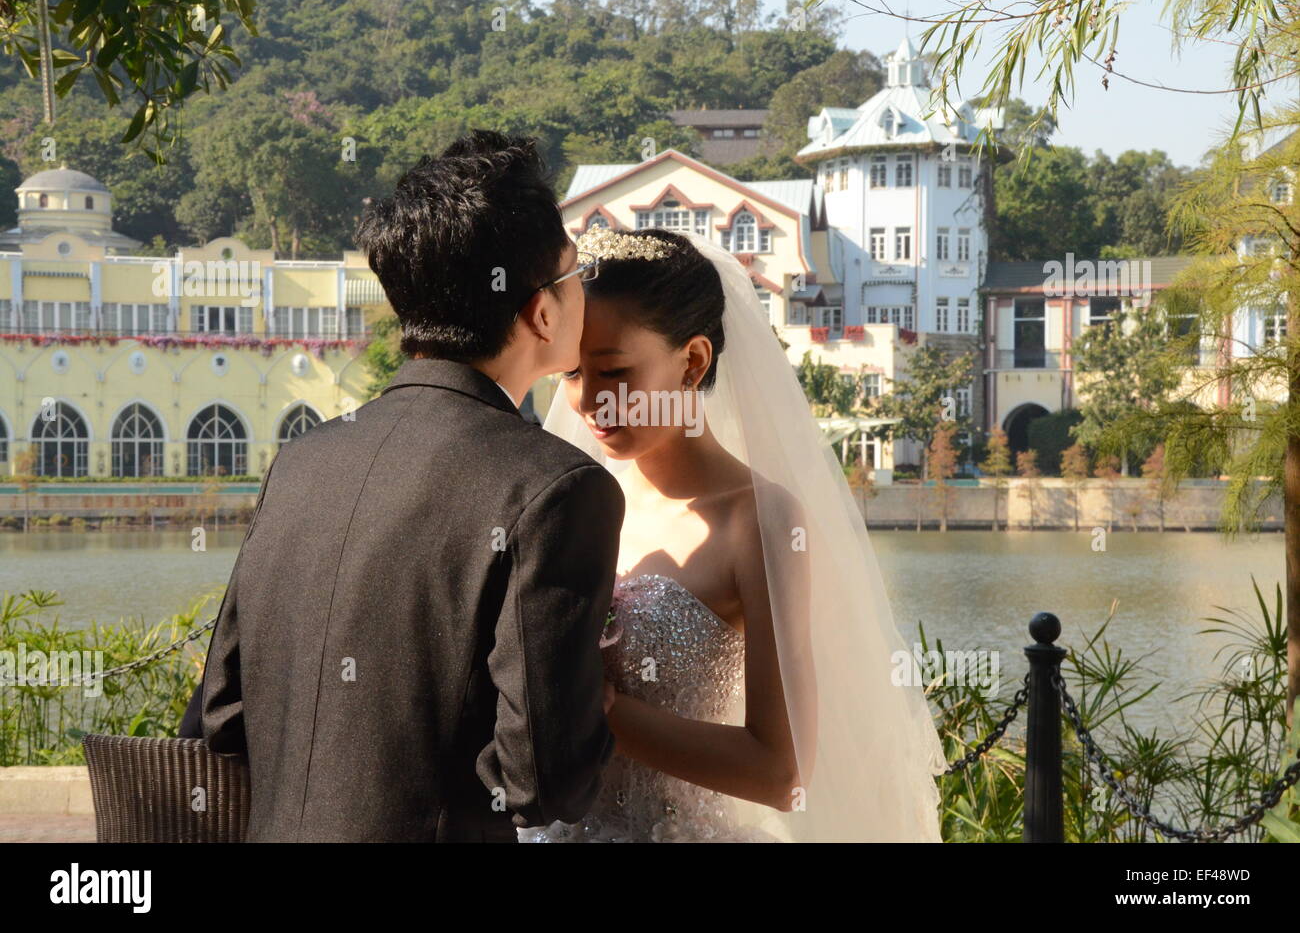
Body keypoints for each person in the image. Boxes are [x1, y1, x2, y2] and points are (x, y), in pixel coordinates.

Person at [178, 130, 624, 842]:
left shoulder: (300, 462)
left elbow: (220, 717)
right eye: (576, 274)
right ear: (541, 310)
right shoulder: (558, 488)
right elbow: (544, 778)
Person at [522, 227, 946, 842]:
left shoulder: (760, 520)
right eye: (569, 373)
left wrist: (601, 711)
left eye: (613, 371)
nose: (589, 401)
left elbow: (781, 770)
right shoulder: (570, 496)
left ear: (692, 360)